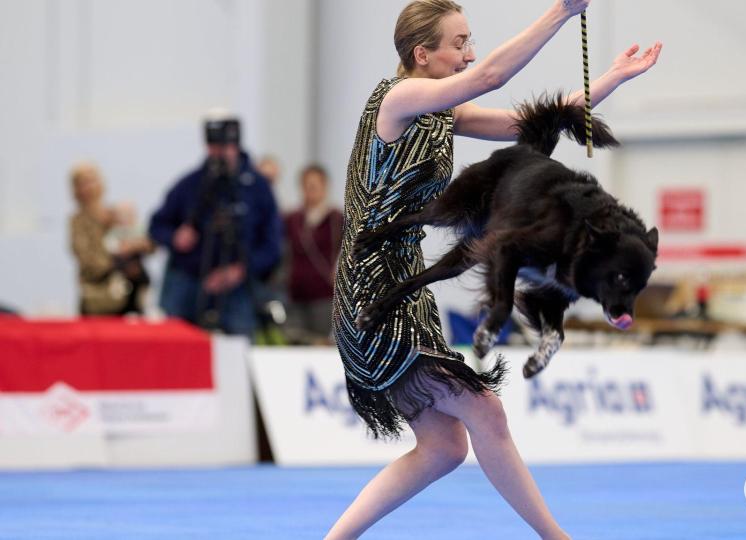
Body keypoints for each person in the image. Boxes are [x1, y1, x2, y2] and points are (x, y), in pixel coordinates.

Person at [327, 1, 661, 538]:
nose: (470, 54)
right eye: (458, 43)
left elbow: (528, 124)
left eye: (469, 41)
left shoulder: (440, 112)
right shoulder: (399, 98)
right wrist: (560, 11)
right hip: (374, 285)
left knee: (444, 448)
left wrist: (612, 79)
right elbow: (491, 75)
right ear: (422, 54)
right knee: (486, 413)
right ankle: (557, 537)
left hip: (404, 281)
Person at [148, 115, 282, 337]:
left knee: (237, 348)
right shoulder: (190, 184)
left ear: (236, 146)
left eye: (225, 146)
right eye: (214, 146)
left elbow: (273, 247)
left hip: (237, 288)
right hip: (189, 282)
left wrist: (240, 270)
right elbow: (156, 225)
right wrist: (175, 237)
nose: (219, 153)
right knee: (177, 345)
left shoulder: (257, 188)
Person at [69, 162, 153, 315]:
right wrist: (118, 260)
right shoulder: (77, 222)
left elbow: (147, 242)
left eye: (92, 180)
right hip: (98, 295)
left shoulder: (115, 213)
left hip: (129, 292)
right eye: (83, 183)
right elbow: (88, 259)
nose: (89, 187)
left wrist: (135, 246)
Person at [283, 164, 344, 344]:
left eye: (314, 186)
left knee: (320, 343)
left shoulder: (336, 218)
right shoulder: (292, 219)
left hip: (323, 294)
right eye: (306, 186)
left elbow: (352, 250)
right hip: (296, 293)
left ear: (324, 187)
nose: (310, 191)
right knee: (296, 341)